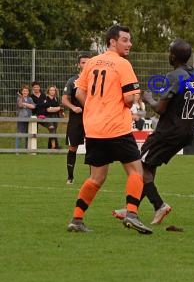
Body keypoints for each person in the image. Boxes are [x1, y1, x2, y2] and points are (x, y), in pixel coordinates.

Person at [112, 39, 194, 225]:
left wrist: (148, 98)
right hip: (187, 131)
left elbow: (160, 108)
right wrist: (184, 115)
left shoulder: (174, 76)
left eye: (169, 52)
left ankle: (159, 205)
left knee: (139, 166)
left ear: (173, 56)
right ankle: (131, 209)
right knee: (149, 166)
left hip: (168, 131)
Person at [67, 24, 152, 234]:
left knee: (96, 177)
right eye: (125, 40)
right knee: (136, 171)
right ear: (112, 41)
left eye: (129, 40)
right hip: (116, 128)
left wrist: (95, 108)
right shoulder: (123, 64)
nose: (129, 44)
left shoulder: (92, 62)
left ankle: (76, 220)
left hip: (94, 129)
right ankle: (132, 214)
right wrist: (130, 100)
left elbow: (78, 92)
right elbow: (128, 98)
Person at [62, 54, 90, 184]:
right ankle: (70, 177)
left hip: (91, 118)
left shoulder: (96, 80)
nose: (86, 65)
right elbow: (64, 99)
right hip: (76, 119)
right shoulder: (72, 81)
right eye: (83, 62)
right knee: (73, 147)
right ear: (78, 65)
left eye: (88, 62)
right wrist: (73, 107)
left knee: (93, 147)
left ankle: (92, 179)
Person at [16, 85, 35, 150]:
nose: (25, 92)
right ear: (21, 92)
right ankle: (17, 150)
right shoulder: (19, 98)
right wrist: (21, 98)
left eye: (26, 91)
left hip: (29, 118)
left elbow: (33, 106)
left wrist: (26, 104)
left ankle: (27, 149)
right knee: (19, 134)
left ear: (28, 92)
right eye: (24, 91)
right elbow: (20, 105)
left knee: (28, 134)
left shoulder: (30, 99)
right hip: (21, 118)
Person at [44, 85, 63, 149]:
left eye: (53, 90)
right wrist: (57, 108)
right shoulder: (46, 99)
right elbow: (48, 110)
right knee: (52, 129)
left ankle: (51, 147)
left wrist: (56, 108)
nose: (52, 91)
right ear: (48, 91)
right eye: (51, 90)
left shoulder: (56, 99)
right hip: (48, 116)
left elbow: (60, 108)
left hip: (55, 116)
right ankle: (54, 146)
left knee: (53, 131)